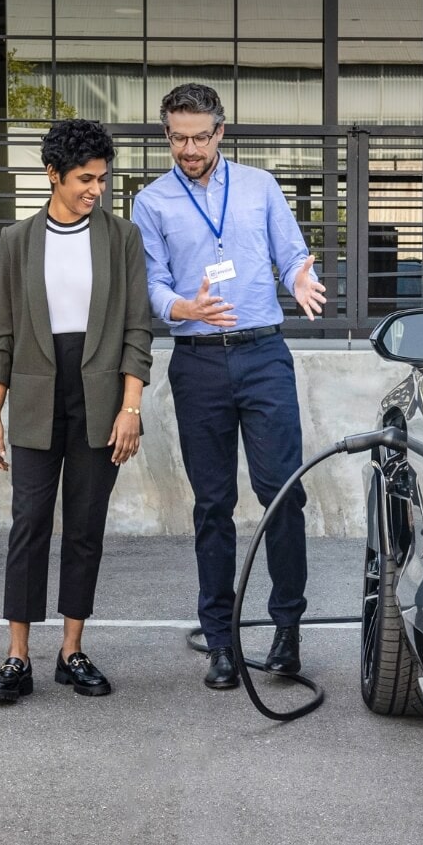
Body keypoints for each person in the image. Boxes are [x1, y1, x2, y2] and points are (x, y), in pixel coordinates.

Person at [131, 83, 326, 691]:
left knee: (283, 494)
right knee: (212, 505)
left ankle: (287, 631)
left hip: (264, 355)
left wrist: (298, 279)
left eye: (199, 136)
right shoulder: (151, 201)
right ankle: (220, 641)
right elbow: (153, 284)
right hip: (198, 363)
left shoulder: (260, 187)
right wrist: (183, 306)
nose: (188, 148)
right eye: (177, 137)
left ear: (221, 132)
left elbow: (292, 253)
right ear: (167, 134)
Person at [0, 119, 153, 704]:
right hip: (34, 395)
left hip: (101, 397)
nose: (96, 189)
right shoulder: (16, 241)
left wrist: (131, 405)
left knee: (84, 526)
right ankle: (16, 657)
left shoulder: (122, 238)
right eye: (85, 178)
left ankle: (71, 650)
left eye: (102, 178)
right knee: (29, 523)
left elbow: (138, 329)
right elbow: (2, 332)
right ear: (52, 174)